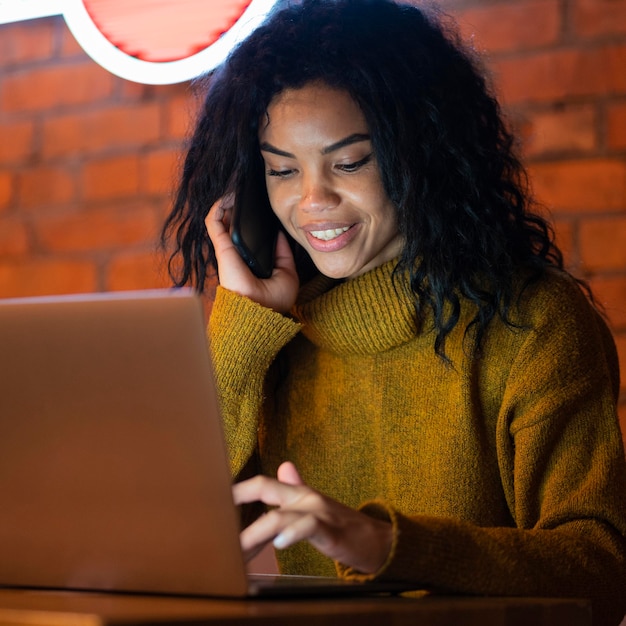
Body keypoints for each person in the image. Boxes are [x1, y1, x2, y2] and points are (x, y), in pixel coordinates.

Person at [161, 0, 626, 624]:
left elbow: (600, 568)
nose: (312, 201)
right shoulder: (269, 332)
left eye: (349, 162)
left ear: (422, 155)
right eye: (281, 170)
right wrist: (240, 327)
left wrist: (384, 545)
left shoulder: (532, 321)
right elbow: (174, 540)